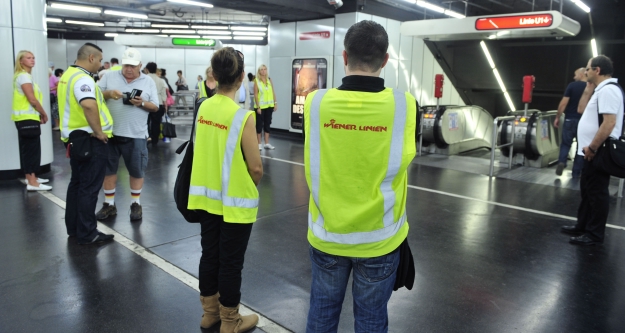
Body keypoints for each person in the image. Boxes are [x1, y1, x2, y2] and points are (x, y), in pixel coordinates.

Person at [303, 20, 417, 332]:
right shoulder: (404, 106)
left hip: (328, 235)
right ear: (385, 60)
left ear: (344, 57)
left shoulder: (317, 102)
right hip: (380, 240)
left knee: (322, 316)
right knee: (370, 320)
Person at [187, 47, 263, 333]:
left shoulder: (203, 107)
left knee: (210, 255)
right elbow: (255, 168)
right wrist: (246, 186)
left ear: (214, 75)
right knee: (231, 263)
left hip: (205, 199)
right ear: (242, 77)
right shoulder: (243, 117)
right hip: (234, 204)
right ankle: (230, 321)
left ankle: (209, 315)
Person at [562, 55, 624, 246]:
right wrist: (589, 88)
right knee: (588, 191)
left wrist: (592, 147)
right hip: (589, 152)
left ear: (597, 70)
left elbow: (609, 123)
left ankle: (594, 234)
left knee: (597, 194)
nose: (585, 72)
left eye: (588, 69)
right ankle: (583, 225)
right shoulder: (601, 89)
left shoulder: (609, 91)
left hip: (597, 151)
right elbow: (581, 110)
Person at [58, 43, 115, 244]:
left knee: (77, 185)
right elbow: (88, 105)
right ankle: (88, 234)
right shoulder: (83, 79)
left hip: (75, 141)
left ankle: (74, 228)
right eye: (100, 60)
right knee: (89, 189)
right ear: (91, 58)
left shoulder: (67, 76)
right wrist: (99, 133)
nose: (100, 64)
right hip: (90, 140)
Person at [95, 48, 160, 221]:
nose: (128, 69)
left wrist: (142, 103)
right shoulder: (109, 76)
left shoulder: (148, 81)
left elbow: (155, 106)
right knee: (108, 170)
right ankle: (109, 204)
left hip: (136, 134)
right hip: (110, 133)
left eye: (132, 66)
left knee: (137, 170)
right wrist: (109, 93)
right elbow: (95, 96)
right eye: (126, 65)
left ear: (140, 65)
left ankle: (135, 203)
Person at [12, 50, 51, 191]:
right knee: (31, 151)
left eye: (33, 57)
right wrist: (44, 113)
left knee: (29, 150)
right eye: (28, 58)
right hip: (27, 119)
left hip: (25, 119)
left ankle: (31, 177)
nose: (32, 60)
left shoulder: (24, 76)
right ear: (21, 61)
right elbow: (32, 99)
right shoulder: (24, 77)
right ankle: (32, 182)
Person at [554, 67, 587, 177]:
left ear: (581, 75)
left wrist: (558, 117)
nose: (574, 77)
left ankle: (562, 162)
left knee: (565, 144)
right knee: (580, 147)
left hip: (569, 119)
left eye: (575, 75)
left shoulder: (572, 86)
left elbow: (563, 103)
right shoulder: (591, 87)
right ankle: (576, 171)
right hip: (583, 122)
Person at [254, 64, 277, 150]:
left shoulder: (269, 80)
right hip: (260, 107)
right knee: (259, 125)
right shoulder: (256, 81)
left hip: (269, 106)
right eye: (262, 69)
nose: (263, 71)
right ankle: (259, 144)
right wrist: (258, 107)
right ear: (259, 71)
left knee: (267, 124)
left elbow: (273, 92)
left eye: (265, 69)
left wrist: (275, 103)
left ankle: (266, 143)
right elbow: (256, 95)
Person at [145, 62, 167, 146]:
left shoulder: (144, 78)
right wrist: (165, 105)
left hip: (146, 103)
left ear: (147, 69)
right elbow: (163, 94)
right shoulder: (161, 80)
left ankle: (147, 137)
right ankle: (155, 140)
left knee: (145, 122)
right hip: (158, 103)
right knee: (156, 123)